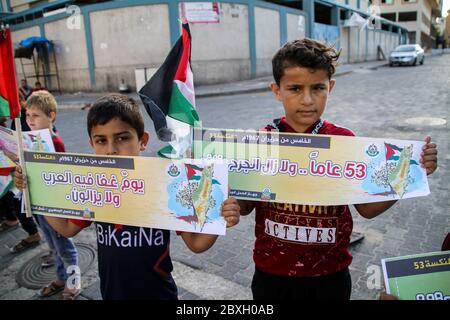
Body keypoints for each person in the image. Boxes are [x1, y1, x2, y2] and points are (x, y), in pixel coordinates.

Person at [237, 38, 438, 300]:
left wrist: (410, 174)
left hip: (330, 277)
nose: (307, 100)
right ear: (277, 90)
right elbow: (243, 207)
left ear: (330, 87)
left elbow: (366, 209)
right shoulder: (260, 141)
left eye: (318, 88)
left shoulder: (344, 142)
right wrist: (229, 175)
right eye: (295, 88)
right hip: (271, 275)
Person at [14, 93, 241, 300]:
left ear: (142, 140)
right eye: (101, 140)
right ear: (92, 143)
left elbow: (196, 244)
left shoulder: (164, 184)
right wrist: (35, 190)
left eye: (122, 138)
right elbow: (66, 229)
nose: (111, 149)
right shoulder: (95, 187)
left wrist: (219, 217)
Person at [15, 90, 80, 299]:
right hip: (38, 203)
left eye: (36, 115)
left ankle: (73, 283)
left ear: (51, 115)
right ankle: (62, 277)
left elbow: (61, 176)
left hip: (55, 205)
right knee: (53, 245)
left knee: (64, 246)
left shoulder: (56, 143)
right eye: (27, 115)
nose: (30, 120)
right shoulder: (27, 141)